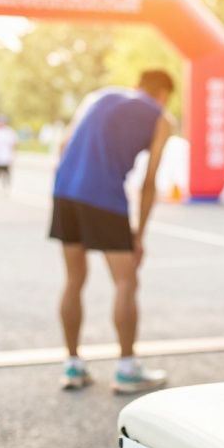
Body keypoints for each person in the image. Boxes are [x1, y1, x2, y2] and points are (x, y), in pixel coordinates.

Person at [50, 70, 175, 394]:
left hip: (66, 190)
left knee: (74, 278)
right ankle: (126, 368)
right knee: (126, 280)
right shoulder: (162, 117)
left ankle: (73, 364)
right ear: (163, 94)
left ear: (137, 85)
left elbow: (64, 146)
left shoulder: (99, 95)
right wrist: (139, 235)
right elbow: (149, 183)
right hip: (104, 195)